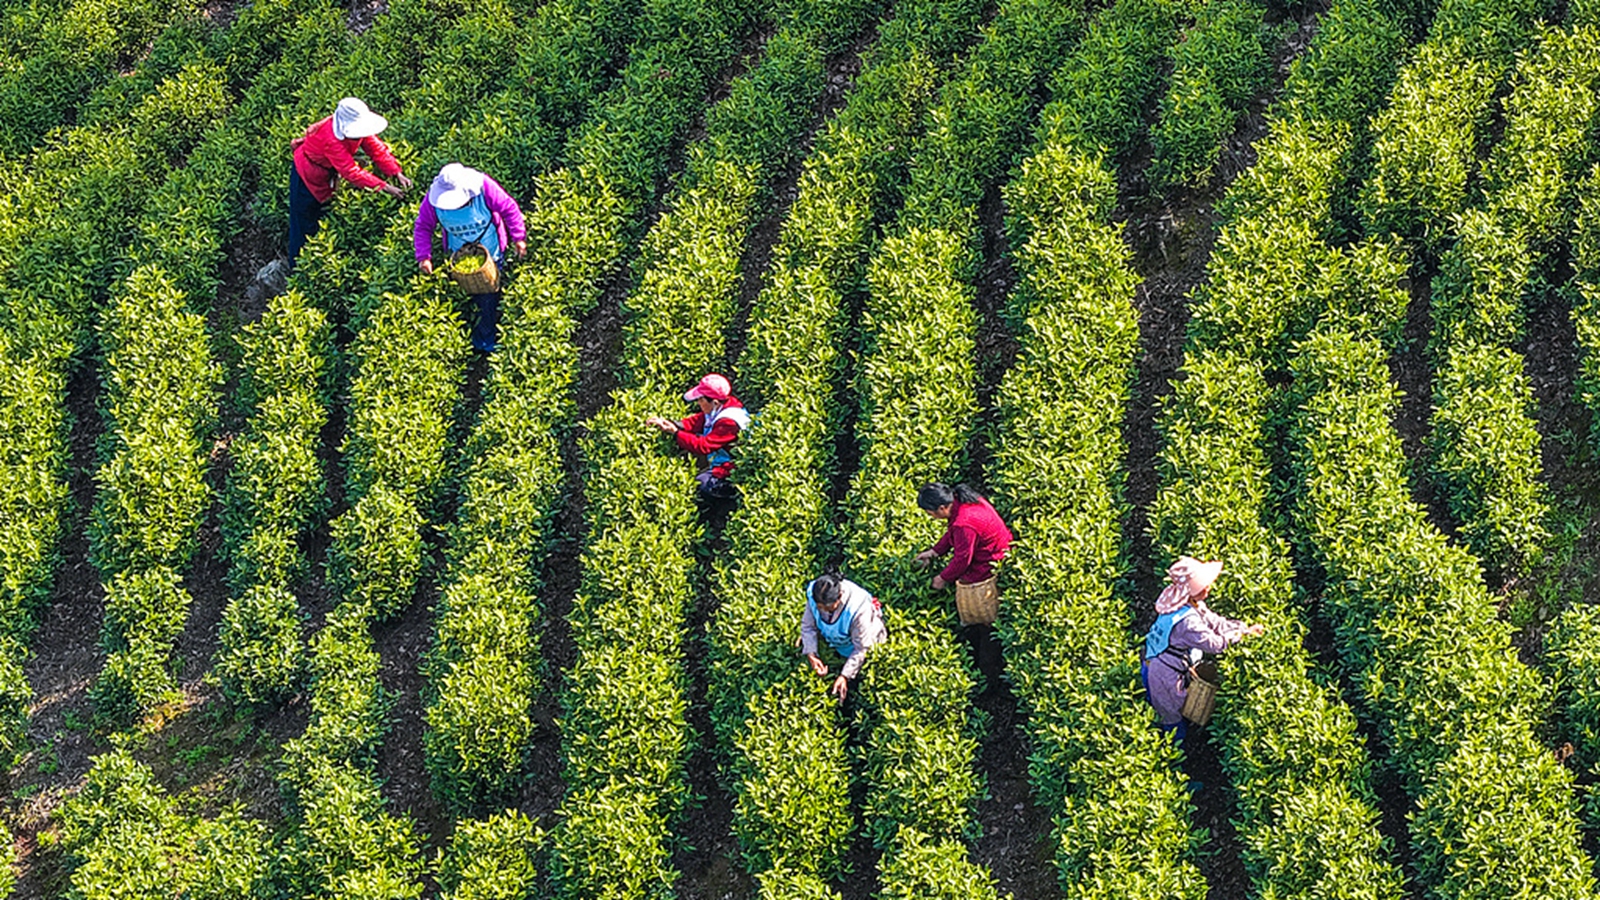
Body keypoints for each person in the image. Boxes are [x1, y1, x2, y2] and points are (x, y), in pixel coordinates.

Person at [1141, 556, 1266, 743]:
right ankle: (1174, 761)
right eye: (1203, 586)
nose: (1208, 588)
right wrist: (1239, 636)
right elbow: (1214, 644)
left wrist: (1243, 629)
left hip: (1160, 662)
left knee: (1168, 711)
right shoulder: (1188, 622)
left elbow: (1215, 622)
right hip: (1162, 674)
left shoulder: (1189, 603)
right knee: (1171, 721)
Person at [414, 163, 528, 353]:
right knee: (466, 293)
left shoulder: (484, 187)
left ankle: (486, 338)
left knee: (488, 293)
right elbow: (423, 227)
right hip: (458, 253)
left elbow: (509, 209)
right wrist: (424, 257)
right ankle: (476, 336)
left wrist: (519, 238)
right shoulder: (432, 201)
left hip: (491, 250)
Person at [913, 482, 1013, 690]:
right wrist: (934, 552)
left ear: (942, 508)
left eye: (931, 513)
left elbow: (962, 559)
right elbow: (953, 535)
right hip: (996, 553)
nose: (932, 517)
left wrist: (942, 578)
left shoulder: (964, 522)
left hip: (989, 564)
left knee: (985, 623)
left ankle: (989, 675)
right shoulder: (964, 502)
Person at [289, 97, 411, 265]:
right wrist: (386, 187)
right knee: (303, 222)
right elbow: (351, 172)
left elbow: (375, 149)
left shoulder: (355, 129)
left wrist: (396, 172)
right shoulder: (330, 139)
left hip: (326, 173)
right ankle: (296, 268)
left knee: (323, 215)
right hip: (306, 175)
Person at [645, 374, 750, 499]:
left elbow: (703, 446)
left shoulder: (729, 422)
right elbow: (695, 422)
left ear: (715, 402)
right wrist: (671, 423)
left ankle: (733, 495)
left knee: (703, 483)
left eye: (701, 400)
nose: (698, 403)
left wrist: (676, 433)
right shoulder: (720, 407)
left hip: (737, 466)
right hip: (724, 460)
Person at [799, 572, 887, 703]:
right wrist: (811, 653)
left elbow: (861, 649)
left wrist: (845, 676)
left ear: (839, 597)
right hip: (837, 642)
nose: (822, 610)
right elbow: (808, 626)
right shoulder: (815, 594)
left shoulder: (858, 609)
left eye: (827, 608)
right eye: (819, 607)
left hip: (865, 644)